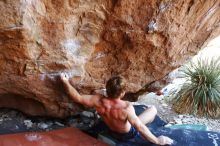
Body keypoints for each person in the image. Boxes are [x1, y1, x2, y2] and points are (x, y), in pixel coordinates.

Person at [60, 73, 173, 145]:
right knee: (152, 109)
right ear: (123, 93)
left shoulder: (98, 100)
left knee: (136, 119)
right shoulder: (126, 107)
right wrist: (158, 141)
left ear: (107, 89)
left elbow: (77, 97)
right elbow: (139, 127)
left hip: (111, 130)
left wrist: (65, 81)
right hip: (128, 134)